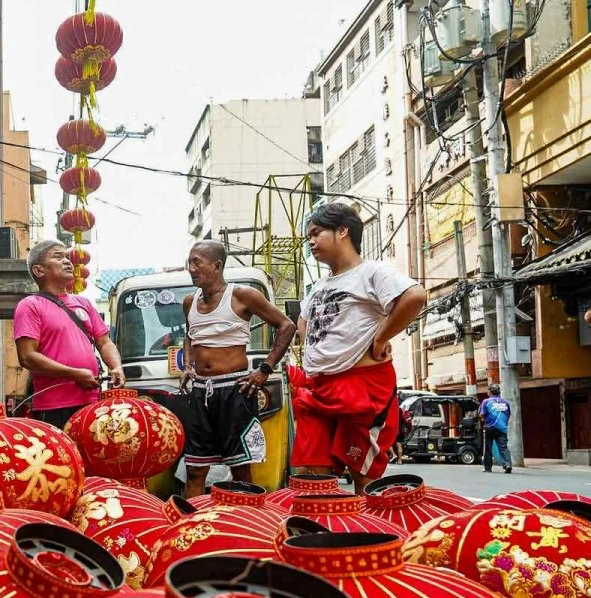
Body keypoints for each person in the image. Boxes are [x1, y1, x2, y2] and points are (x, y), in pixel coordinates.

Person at [291, 203, 427, 493]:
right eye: (308, 236)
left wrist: (380, 338)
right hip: (318, 388)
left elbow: (415, 296)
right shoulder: (318, 286)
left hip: (361, 388)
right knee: (310, 475)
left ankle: (370, 533)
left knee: (363, 475)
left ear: (343, 231)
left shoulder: (372, 271)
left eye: (316, 233)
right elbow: (303, 320)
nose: (311, 241)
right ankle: (328, 532)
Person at [177, 240, 295, 496]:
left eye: (197, 262)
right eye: (189, 262)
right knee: (195, 468)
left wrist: (265, 369)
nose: (191, 268)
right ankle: (192, 528)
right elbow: (190, 335)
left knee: (241, 469)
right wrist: (187, 365)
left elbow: (287, 326)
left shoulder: (243, 295)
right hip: (200, 392)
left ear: (217, 266)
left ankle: (248, 525)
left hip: (236, 390)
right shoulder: (189, 302)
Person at [14, 240, 124, 429]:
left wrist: (117, 367)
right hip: (54, 407)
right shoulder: (30, 305)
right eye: (58, 256)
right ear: (39, 271)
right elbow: (27, 357)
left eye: (67, 257)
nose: (67, 261)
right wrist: (74, 374)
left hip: (91, 402)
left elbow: (104, 342)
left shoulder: (84, 303)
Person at [479, 383, 513, 473]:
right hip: (502, 428)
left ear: (490, 392)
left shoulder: (486, 402)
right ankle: (507, 464)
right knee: (503, 447)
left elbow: (482, 414)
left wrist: (483, 419)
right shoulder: (506, 402)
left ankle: (488, 468)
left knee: (488, 448)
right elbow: (508, 415)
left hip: (489, 427)